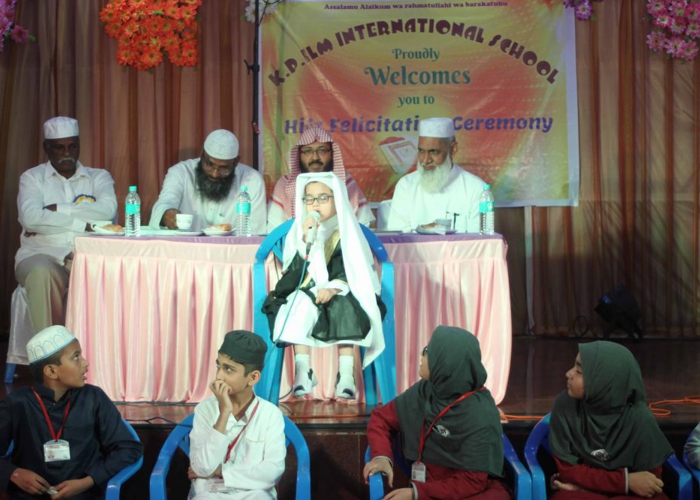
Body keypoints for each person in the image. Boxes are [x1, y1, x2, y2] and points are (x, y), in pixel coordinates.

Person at [262, 172, 385, 400]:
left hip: (343, 290)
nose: (315, 204)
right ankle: (303, 370)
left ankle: (346, 374)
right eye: (309, 199)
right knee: (296, 305)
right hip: (307, 289)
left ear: (337, 198)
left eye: (322, 198)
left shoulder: (346, 231)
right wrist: (305, 240)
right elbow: (294, 272)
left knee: (345, 308)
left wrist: (333, 288)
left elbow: (352, 271)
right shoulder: (300, 230)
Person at [363, 326, 509, 500]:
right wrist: (381, 457)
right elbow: (381, 419)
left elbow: (472, 481)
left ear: (446, 363)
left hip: (469, 492)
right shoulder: (426, 390)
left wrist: (417, 494)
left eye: (428, 351)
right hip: (428, 489)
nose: (422, 355)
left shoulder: (480, 413)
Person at [0, 326, 143, 499]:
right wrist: (14, 473)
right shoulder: (17, 403)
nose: (85, 363)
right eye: (76, 357)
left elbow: (128, 448)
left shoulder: (94, 398)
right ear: (51, 371)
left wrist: (87, 481)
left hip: (84, 495)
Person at [16, 117, 117, 333]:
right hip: (41, 255)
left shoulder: (99, 177)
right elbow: (31, 218)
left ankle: (101, 349)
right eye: (59, 148)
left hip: (89, 257)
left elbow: (107, 211)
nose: (67, 153)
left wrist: (56, 210)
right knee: (41, 273)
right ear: (46, 148)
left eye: (72, 146)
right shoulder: (32, 178)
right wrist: (85, 225)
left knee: (121, 272)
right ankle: (51, 349)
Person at [549, 341, 674, 499]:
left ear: (604, 381)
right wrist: (624, 482)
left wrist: (620, 486)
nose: (568, 373)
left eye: (579, 371)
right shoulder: (565, 406)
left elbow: (650, 482)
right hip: (587, 489)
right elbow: (568, 470)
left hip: (626, 493)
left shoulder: (639, 417)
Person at [188, 330, 286, 499]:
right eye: (218, 366)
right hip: (210, 493)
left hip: (253, 494)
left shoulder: (270, 415)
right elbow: (201, 469)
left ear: (253, 377)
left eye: (228, 369)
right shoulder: (205, 409)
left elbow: (272, 472)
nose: (219, 376)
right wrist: (224, 413)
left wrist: (221, 471)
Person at [149, 129, 266, 233]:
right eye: (209, 164)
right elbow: (165, 202)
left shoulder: (252, 180)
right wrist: (166, 214)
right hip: (185, 248)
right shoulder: (181, 172)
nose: (214, 174)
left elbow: (256, 231)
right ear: (201, 154)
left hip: (231, 249)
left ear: (236, 162)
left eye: (223, 168)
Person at [386, 117, 485, 233]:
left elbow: (479, 239)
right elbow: (398, 236)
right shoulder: (406, 185)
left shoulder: (476, 189)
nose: (425, 160)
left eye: (434, 152)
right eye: (421, 151)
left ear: (453, 149)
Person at [266, 126, 373, 232]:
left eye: (322, 150)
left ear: (331, 154)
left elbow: (364, 228)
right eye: (307, 151)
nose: (315, 157)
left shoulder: (345, 183)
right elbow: (274, 231)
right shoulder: (285, 185)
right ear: (299, 155)